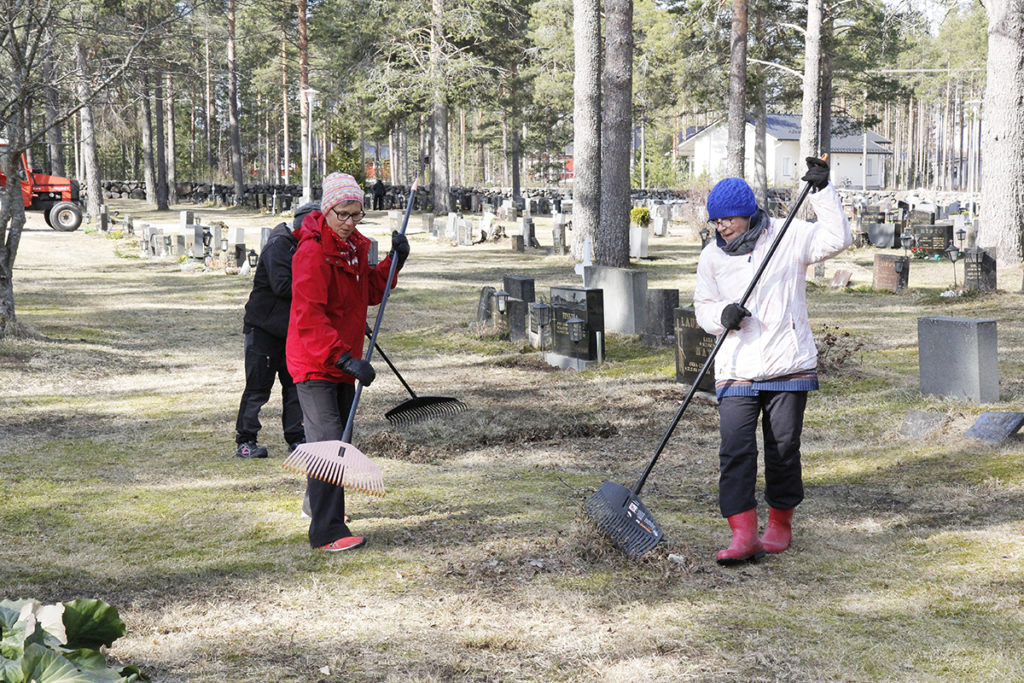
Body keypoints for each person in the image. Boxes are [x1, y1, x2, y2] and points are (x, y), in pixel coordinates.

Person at [694, 157, 850, 565]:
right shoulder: (712, 256)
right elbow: (703, 307)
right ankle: (742, 533)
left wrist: (822, 191)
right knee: (735, 450)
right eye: (716, 222)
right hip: (737, 366)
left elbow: (837, 238)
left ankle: (780, 523)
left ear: (748, 214)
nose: (721, 228)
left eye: (727, 219)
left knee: (783, 449)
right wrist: (720, 317)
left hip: (787, 362)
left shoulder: (789, 236)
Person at [287, 172, 410, 552]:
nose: (350, 222)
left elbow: (370, 291)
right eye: (343, 214)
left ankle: (316, 506)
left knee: (339, 439)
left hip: (342, 360)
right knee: (328, 443)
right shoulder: (311, 252)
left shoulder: (354, 247)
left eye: (357, 215)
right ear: (327, 210)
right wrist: (343, 357)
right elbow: (309, 317)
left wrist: (395, 260)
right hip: (315, 361)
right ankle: (327, 532)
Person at [233, 202, 320, 458]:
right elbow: (283, 286)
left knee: (294, 386)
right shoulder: (280, 244)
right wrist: (319, 290)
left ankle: (296, 438)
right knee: (258, 388)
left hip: (290, 331)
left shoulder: (305, 244)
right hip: (263, 329)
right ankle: (246, 441)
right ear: (304, 223)